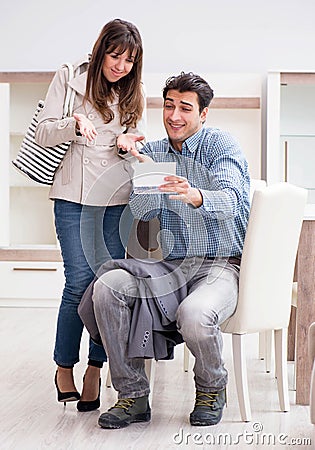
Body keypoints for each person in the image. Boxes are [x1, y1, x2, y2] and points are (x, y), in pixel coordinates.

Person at [85, 72, 250, 428]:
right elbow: (144, 214)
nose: (174, 115)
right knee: (107, 287)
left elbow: (232, 200)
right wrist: (135, 166)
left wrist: (196, 195)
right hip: (168, 266)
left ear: (203, 114)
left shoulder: (221, 146)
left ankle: (211, 387)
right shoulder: (156, 152)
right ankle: (132, 395)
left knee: (195, 314)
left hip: (219, 265)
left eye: (185, 108)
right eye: (169, 105)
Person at [34, 18, 145, 412]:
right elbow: (43, 132)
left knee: (107, 285)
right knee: (78, 281)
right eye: (115, 56)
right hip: (72, 194)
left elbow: (132, 141)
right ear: (101, 50)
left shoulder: (134, 91)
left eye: (129, 61)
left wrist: (127, 142)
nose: (120, 66)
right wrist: (73, 123)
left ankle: (95, 370)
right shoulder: (69, 76)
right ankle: (64, 364)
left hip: (115, 198)